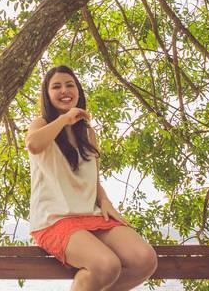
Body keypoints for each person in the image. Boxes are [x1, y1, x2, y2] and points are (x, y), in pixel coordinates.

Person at [26, 65, 157, 291]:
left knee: (145, 260)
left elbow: (93, 181)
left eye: (70, 85)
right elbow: (34, 145)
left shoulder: (88, 132)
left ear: (78, 91)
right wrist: (64, 119)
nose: (64, 90)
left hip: (90, 214)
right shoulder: (42, 124)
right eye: (56, 87)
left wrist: (105, 202)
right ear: (47, 95)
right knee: (107, 265)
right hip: (54, 219)